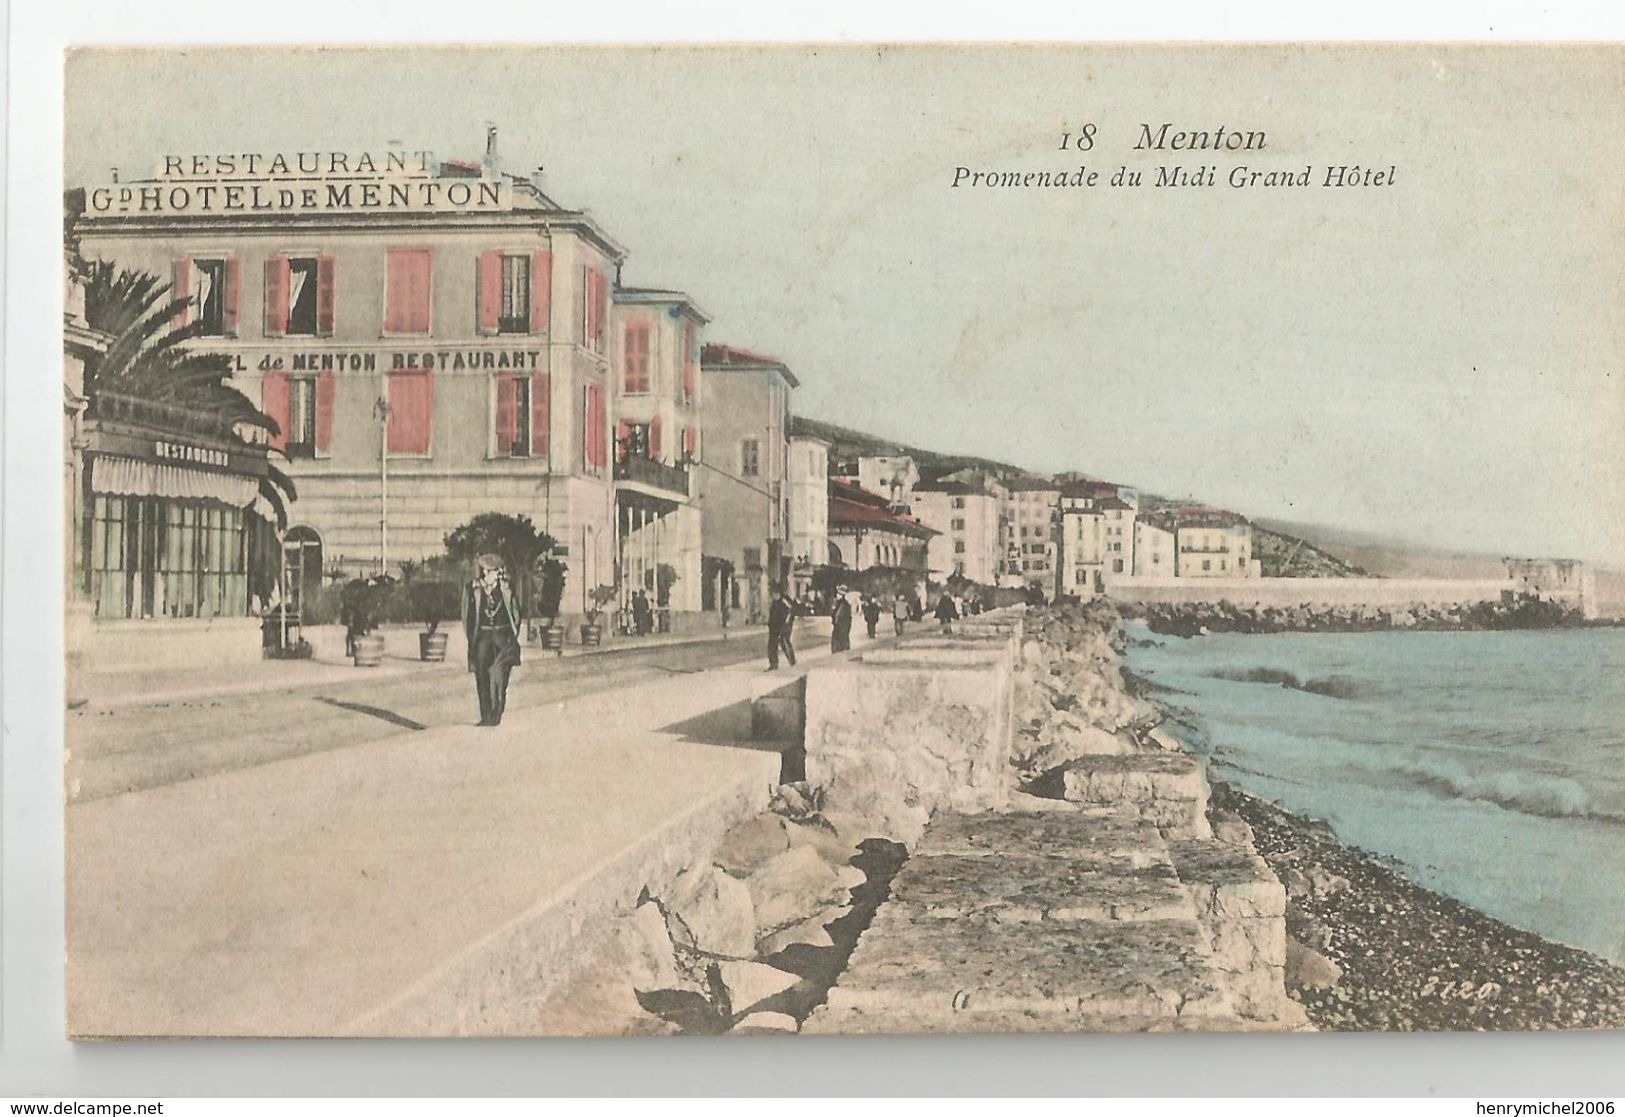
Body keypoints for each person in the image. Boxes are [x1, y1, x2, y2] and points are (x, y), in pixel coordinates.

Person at [463, 554, 523, 727]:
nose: (485, 575)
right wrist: (471, 637)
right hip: (482, 637)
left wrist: (513, 634)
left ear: (497, 572)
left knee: (499, 676)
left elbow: (516, 613)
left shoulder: (507, 588)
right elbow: (466, 615)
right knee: (482, 675)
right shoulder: (472, 589)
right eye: (483, 571)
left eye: (489, 572)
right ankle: (486, 716)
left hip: (503, 638)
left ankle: (497, 713)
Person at [767, 585, 797, 670]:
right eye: (772, 594)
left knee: (784, 642)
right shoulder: (774, 602)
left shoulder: (784, 600)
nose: (773, 595)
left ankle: (792, 661)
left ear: (778, 593)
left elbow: (791, 610)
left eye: (774, 593)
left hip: (784, 626)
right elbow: (772, 614)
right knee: (772, 645)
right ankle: (773, 663)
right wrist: (770, 623)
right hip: (774, 626)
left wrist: (787, 622)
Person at [831, 588, 854, 653]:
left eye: (838, 595)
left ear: (842, 596)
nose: (837, 596)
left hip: (841, 628)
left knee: (840, 645)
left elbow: (842, 617)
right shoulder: (839, 604)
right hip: (839, 627)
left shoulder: (844, 605)